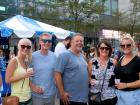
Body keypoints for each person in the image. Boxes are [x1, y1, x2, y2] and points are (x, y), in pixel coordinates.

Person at [54, 33, 89, 105]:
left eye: (81, 41)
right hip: (70, 98)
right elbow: (57, 74)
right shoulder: (64, 55)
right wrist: (62, 92)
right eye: (77, 41)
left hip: (82, 98)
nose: (80, 43)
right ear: (71, 42)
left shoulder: (82, 56)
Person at [30, 33, 57, 105]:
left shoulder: (54, 56)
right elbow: (26, 75)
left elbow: (56, 74)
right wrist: (33, 87)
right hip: (37, 95)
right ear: (40, 42)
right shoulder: (32, 56)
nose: (47, 43)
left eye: (49, 41)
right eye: (44, 41)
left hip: (51, 94)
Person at [88, 40, 117, 105]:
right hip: (95, 96)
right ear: (98, 49)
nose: (104, 50)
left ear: (109, 50)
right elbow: (88, 76)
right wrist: (90, 80)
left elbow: (117, 77)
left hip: (110, 96)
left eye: (107, 48)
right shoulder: (92, 62)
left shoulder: (114, 62)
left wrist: (117, 84)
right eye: (102, 48)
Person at [5, 38, 33, 105]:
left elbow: (27, 80)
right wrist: (24, 75)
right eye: (23, 46)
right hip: (18, 99)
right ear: (18, 46)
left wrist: (35, 88)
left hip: (29, 97)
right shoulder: (14, 61)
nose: (25, 48)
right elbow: (7, 80)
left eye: (28, 47)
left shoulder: (26, 61)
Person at [114, 36, 140, 105]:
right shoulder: (121, 58)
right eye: (123, 45)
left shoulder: (138, 60)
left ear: (133, 46)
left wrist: (126, 85)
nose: (125, 47)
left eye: (128, 45)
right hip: (118, 95)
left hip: (132, 96)